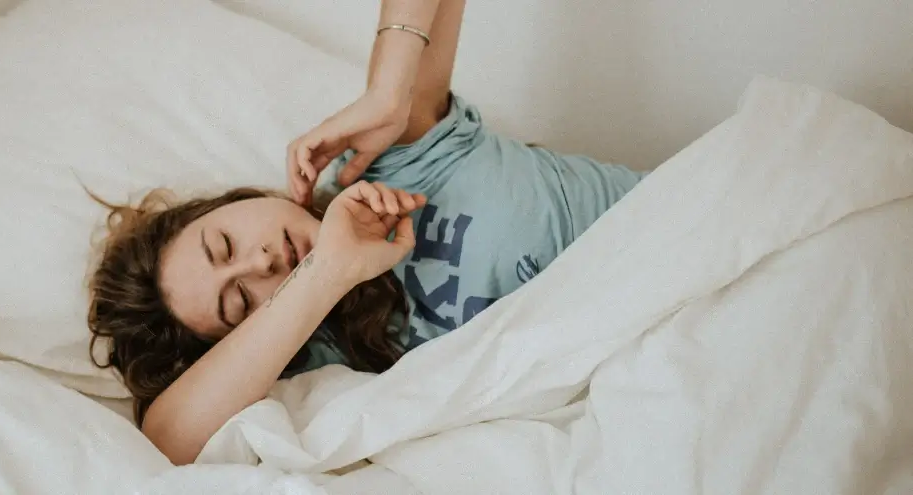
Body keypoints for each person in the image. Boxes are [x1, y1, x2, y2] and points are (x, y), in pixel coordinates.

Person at [87, 0, 646, 465]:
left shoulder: (389, 161)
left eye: (224, 245)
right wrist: (326, 272)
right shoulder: (327, 361)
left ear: (239, 201)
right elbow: (169, 440)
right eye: (239, 302)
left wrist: (387, 91)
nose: (258, 266)